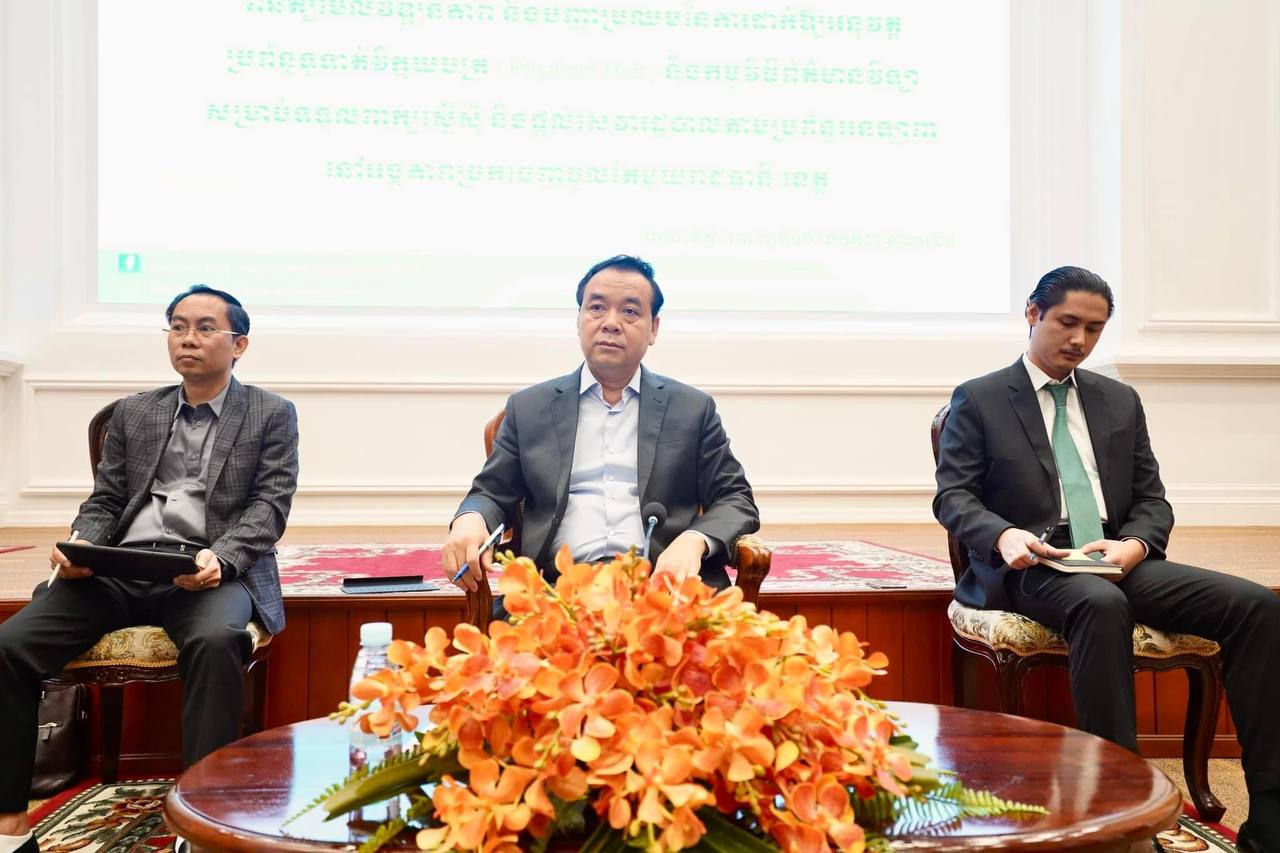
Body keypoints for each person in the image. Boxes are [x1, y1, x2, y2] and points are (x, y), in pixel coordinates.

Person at [933, 266, 1280, 852]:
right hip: (1030, 563)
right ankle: (1125, 812)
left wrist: (1136, 545)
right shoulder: (982, 397)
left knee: (1255, 607)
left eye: (1094, 329)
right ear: (1033, 313)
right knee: (1098, 603)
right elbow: (954, 496)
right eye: (1068, 322)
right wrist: (1004, 535)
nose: (1079, 340)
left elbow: (1152, 500)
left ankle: (1271, 815)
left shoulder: (1119, 399)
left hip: (1112, 556)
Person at [0, 285, 299, 853]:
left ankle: (202, 820)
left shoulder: (270, 413)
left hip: (206, 570)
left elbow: (269, 505)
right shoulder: (136, 411)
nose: (188, 338)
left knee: (217, 640)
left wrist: (222, 558)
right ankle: (10, 818)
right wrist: (83, 544)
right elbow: (106, 500)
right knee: (9, 646)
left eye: (205, 328)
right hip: (118, 569)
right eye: (178, 326)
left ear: (238, 344)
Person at [444, 254, 759, 598]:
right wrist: (471, 519)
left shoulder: (692, 409)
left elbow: (735, 498)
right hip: (557, 593)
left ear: (653, 329)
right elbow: (491, 493)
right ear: (579, 319)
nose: (611, 323)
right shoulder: (529, 408)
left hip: (667, 592)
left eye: (630, 311)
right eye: (596, 308)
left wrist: (694, 540)